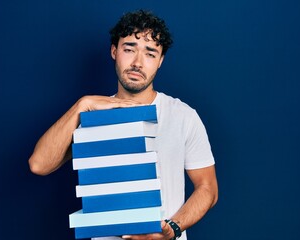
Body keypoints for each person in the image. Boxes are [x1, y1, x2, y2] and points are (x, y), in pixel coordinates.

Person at [29, 10, 218, 240]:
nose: (137, 63)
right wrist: (82, 104)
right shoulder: (92, 115)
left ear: (160, 61)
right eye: (129, 49)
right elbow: (39, 164)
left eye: (150, 53)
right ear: (114, 51)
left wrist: (173, 228)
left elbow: (208, 188)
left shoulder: (183, 116)